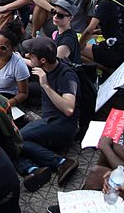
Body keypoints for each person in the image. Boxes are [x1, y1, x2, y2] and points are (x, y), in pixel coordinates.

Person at [17, 36, 80, 192]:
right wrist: (15, 57)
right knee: (8, 142)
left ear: (43, 60)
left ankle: (61, 162)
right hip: (48, 121)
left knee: (18, 140)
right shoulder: (48, 65)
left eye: (31, 54)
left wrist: (45, 85)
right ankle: (33, 170)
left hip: (62, 126)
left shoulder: (67, 76)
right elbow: (31, 63)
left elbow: (69, 108)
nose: (28, 56)